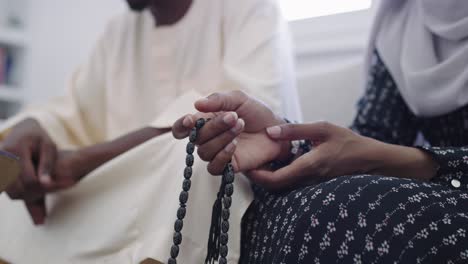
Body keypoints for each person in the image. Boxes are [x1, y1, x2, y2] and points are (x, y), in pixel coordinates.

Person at [0, 0, 300, 263]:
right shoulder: (118, 31)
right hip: (118, 189)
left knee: (198, 158)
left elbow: (247, 125)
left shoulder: (251, 8)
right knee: (12, 163)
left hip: (187, 184)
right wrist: (31, 127)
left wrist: (83, 162)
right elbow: (72, 113)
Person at [174, 0, 468, 263]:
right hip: (428, 177)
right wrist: (286, 142)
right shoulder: (406, 19)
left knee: (344, 210)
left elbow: (378, 154)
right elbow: (374, 137)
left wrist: (415, 162)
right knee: (265, 204)